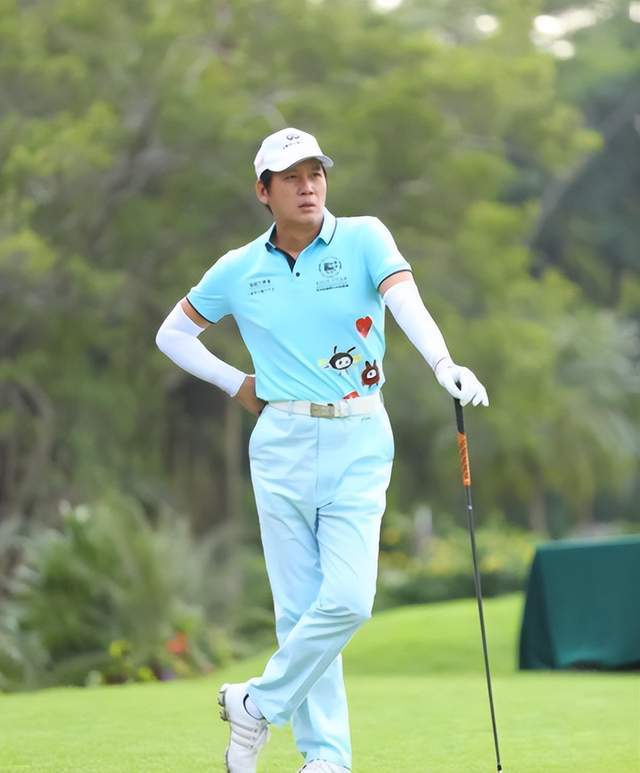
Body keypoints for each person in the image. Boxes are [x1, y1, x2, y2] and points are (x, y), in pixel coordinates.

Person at [155, 128, 488, 773]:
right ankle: (325, 758)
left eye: (316, 173)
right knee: (298, 609)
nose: (308, 186)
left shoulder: (365, 237)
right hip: (279, 440)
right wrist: (236, 383)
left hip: (359, 436)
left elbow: (405, 301)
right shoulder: (238, 269)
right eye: (291, 177)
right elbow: (172, 334)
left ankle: (255, 703)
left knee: (348, 600)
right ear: (264, 192)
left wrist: (443, 362)